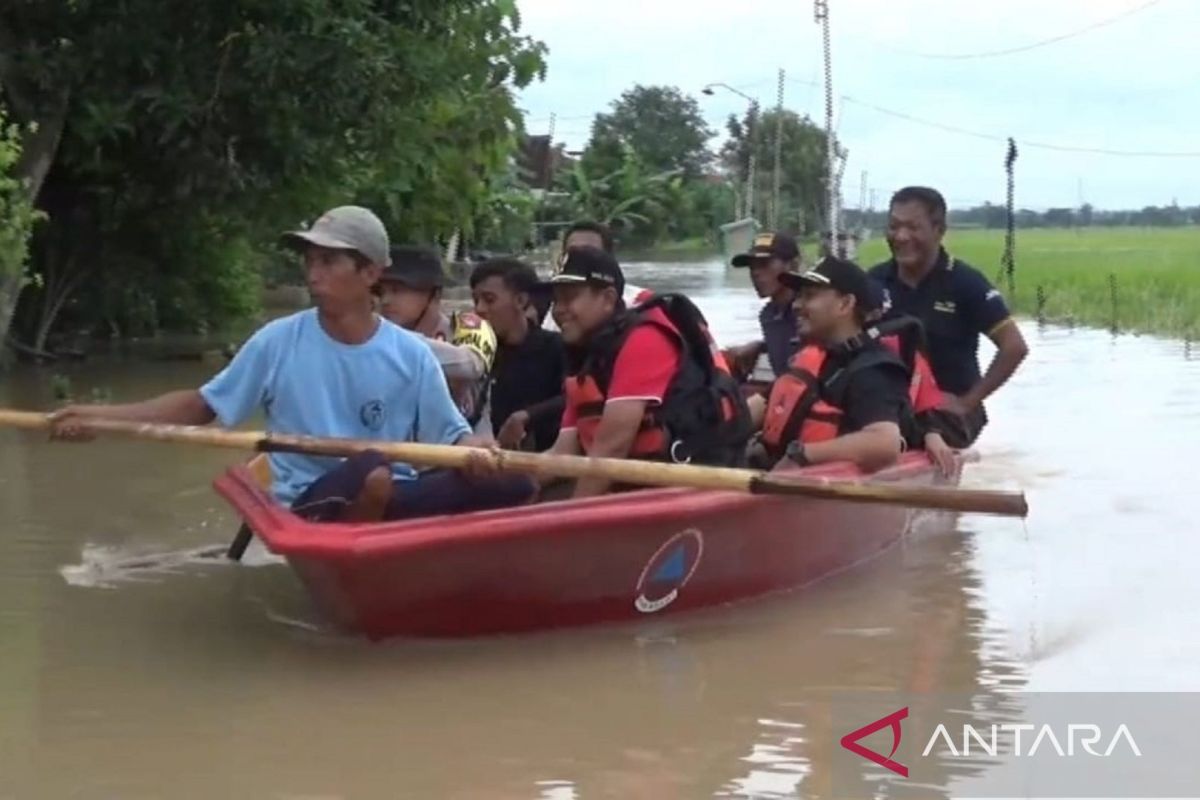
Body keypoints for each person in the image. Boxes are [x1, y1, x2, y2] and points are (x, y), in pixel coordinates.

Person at [49, 206, 532, 522]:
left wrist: (479, 451)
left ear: (370, 273)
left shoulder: (410, 355)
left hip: (393, 499)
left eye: (328, 261)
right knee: (372, 470)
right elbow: (201, 406)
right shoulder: (278, 342)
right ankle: (358, 562)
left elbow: (451, 437)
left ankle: (393, 545)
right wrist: (101, 417)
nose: (312, 274)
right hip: (313, 498)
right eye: (310, 261)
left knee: (515, 482)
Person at [541, 246, 752, 498]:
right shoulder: (585, 354)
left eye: (569, 297)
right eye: (555, 300)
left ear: (608, 299)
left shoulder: (644, 340)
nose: (558, 309)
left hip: (685, 482)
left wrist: (569, 521)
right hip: (629, 481)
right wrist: (510, 483)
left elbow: (612, 448)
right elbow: (563, 451)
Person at [746, 256, 944, 474]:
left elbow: (884, 444)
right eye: (799, 296)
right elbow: (759, 406)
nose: (796, 305)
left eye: (810, 296)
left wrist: (802, 454)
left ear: (845, 304)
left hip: (816, 482)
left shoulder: (874, 371)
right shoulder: (815, 361)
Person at [869, 186, 1029, 447]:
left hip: (949, 411)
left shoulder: (966, 283)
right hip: (889, 407)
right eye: (894, 226)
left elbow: (1014, 347)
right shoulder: (873, 282)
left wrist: (968, 402)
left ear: (939, 230)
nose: (900, 236)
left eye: (913, 227)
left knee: (914, 435)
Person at [377, 245, 497, 434]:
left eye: (397, 290)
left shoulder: (468, 325)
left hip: (467, 450)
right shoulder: (380, 339)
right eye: (381, 292)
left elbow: (471, 365)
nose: (386, 300)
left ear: (435, 294)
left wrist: (386, 338)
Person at [469, 257, 567, 451]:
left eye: (489, 300)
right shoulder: (474, 355)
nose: (479, 309)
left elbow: (573, 398)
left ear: (521, 301)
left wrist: (528, 416)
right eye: (476, 301)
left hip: (546, 459)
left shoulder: (556, 347)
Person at [723, 232, 805, 389]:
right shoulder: (769, 315)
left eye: (764, 264)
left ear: (793, 265)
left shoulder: (808, 311)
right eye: (752, 267)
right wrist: (761, 345)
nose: (755, 273)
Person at [540, 221, 648, 333]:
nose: (579, 259)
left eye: (589, 251)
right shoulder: (558, 314)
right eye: (572, 253)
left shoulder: (641, 303)